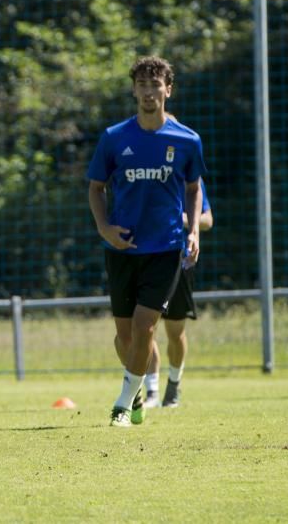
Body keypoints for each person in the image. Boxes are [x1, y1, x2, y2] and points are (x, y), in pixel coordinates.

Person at [86, 56, 207, 428]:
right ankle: (137, 391)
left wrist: (193, 231)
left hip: (165, 248)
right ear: (134, 90)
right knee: (124, 336)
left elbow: (193, 188)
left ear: (168, 90)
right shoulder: (114, 137)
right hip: (122, 248)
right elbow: (95, 188)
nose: (149, 92)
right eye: (142, 85)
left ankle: (123, 403)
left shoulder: (187, 140)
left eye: (156, 85)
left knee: (145, 326)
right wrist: (105, 228)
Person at [143, 179, 213, 408]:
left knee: (175, 331)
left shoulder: (189, 178)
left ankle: (173, 385)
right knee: (144, 328)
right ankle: (151, 390)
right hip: (145, 259)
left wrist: (180, 219)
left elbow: (207, 220)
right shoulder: (147, 172)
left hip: (179, 263)